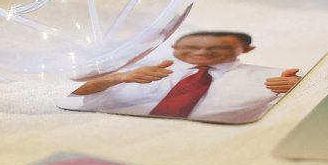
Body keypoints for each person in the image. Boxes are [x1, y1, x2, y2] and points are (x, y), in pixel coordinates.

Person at [68, 31, 300, 124]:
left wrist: (303, 89)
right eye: (191, 47)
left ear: (246, 50)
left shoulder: (271, 76)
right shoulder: (130, 66)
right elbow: (72, 95)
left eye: (215, 49)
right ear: (174, 46)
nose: (201, 53)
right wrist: (118, 78)